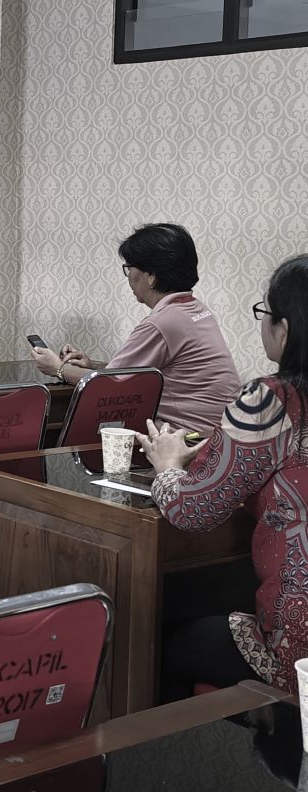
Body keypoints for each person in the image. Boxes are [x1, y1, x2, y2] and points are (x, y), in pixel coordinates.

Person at [140, 254, 308, 700]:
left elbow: (191, 511)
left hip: (299, 643)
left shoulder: (274, 401)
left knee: (153, 636)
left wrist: (168, 466)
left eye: (264, 313)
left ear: (286, 329)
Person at [31, 223, 239, 433]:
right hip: (221, 437)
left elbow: (109, 386)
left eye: (130, 268)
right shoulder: (195, 310)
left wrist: (57, 368)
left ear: (151, 276)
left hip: (189, 442)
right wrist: (93, 366)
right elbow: (131, 374)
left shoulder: (162, 324)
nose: (129, 275)